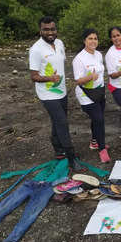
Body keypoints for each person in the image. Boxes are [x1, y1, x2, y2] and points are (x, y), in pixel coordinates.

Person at [29, 16, 84, 172]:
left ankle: (58, 148)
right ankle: (71, 156)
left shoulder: (60, 44)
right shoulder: (36, 50)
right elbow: (33, 76)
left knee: (58, 120)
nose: (50, 32)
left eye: (52, 29)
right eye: (46, 29)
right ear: (40, 30)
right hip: (47, 94)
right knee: (62, 123)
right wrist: (49, 78)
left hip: (61, 91)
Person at [72, 28, 111, 163]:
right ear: (84, 41)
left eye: (95, 38)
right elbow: (77, 80)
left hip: (99, 91)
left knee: (97, 119)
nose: (93, 41)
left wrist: (98, 81)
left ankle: (94, 142)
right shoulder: (79, 59)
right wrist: (90, 77)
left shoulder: (99, 55)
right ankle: (102, 149)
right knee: (99, 120)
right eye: (90, 38)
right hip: (86, 94)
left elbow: (99, 73)